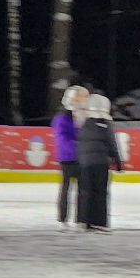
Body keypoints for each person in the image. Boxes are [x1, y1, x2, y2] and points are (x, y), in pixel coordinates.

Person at [77, 94, 123, 232]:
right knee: (100, 192)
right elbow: (112, 144)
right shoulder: (105, 124)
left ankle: (83, 220)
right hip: (100, 163)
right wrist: (118, 163)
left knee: (85, 191)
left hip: (84, 163)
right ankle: (99, 221)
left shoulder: (84, 124)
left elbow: (79, 143)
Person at [52, 86, 88, 229]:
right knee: (66, 187)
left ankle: (80, 217)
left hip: (79, 157)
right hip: (68, 158)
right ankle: (63, 217)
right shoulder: (62, 118)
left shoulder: (81, 115)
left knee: (81, 189)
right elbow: (63, 139)